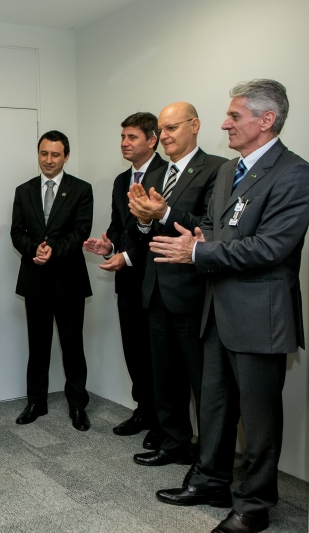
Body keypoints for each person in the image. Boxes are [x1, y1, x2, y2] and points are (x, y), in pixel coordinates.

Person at [150, 80, 308, 533]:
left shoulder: (294, 173)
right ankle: (211, 481)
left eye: (235, 116)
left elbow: (271, 247)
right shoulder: (229, 172)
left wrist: (199, 251)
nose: (225, 123)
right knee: (215, 406)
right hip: (217, 310)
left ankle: (254, 505)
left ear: (266, 120)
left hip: (260, 317)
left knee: (259, 419)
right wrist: (198, 240)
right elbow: (209, 227)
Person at [126, 103, 226, 468]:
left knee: (202, 382)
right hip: (156, 290)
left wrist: (163, 214)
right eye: (162, 130)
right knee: (165, 378)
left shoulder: (216, 169)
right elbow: (148, 233)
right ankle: (174, 444)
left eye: (171, 128)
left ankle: (209, 458)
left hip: (194, 292)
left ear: (194, 126)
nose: (164, 136)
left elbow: (208, 225)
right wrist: (141, 221)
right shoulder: (157, 175)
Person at [83, 112, 166, 449]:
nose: (125, 143)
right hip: (127, 281)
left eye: (132, 137)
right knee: (134, 350)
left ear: (152, 139)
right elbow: (119, 226)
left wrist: (127, 255)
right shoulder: (121, 181)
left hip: (157, 279)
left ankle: (164, 421)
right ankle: (143, 410)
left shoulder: (166, 175)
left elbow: (159, 230)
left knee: (158, 355)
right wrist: (110, 246)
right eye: (123, 137)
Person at [11, 130, 93, 431]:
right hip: (35, 280)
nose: (48, 160)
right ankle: (36, 402)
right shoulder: (24, 190)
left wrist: (53, 251)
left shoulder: (82, 190)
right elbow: (16, 233)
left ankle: (77, 405)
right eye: (44, 153)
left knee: (73, 347)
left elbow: (80, 231)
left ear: (66, 157)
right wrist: (35, 250)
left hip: (68, 280)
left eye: (55, 154)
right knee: (38, 346)